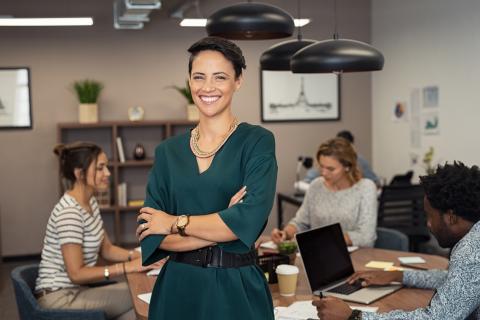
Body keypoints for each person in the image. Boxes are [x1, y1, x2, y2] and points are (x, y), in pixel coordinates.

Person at [135, 37, 278, 320]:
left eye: (220, 77)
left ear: (238, 81)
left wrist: (175, 223)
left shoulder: (257, 142)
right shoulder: (167, 152)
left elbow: (247, 222)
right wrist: (225, 221)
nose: (207, 87)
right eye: (199, 77)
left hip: (236, 289)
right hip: (177, 290)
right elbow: (152, 234)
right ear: (189, 82)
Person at [313, 162, 480, 320]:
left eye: (429, 216)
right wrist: (398, 275)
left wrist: (354, 316)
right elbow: (455, 280)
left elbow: (436, 318)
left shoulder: (470, 252)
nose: (428, 225)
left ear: (451, 217)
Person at [35, 142, 160, 319]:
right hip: (60, 297)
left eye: (106, 167)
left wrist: (139, 257)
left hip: (77, 290)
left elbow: (107, 249)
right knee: (140, 295)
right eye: (100, 168)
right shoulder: (69, 213)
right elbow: (76, 274)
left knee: (137, 301)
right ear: (79, 174)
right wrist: (127, 267)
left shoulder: (90, 203)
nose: (107, 173)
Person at [272, 137, 377, 247]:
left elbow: (366, 237)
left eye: (331, 169)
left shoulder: (365, 188)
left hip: (356, 256)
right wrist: (285, 233)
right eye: (321, 166)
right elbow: (300, 222)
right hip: (319, 253)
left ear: (347, 167)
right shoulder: (316, 185)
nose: (324, 173)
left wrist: (323, 239)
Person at [305, 130, 380, 186]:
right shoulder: (326, 159)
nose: (324, 173)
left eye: (331, 169)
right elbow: (308, 180)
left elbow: (374, 182)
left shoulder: (360, 161)